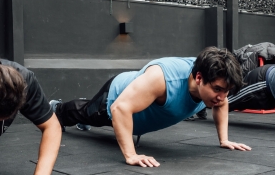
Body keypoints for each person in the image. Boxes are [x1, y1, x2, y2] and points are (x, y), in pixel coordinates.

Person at [51, 47, 251, 168]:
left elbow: (222, 103)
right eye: (218, 90)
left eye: (227, 91)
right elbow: (120, 109)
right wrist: (131, 155)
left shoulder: (213, 82)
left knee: (94, 114)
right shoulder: (164, 79)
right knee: (86, 113)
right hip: (115, 98)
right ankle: (57, 109)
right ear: (199, 78)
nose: (222, 97)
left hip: (135, 105)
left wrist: (223, 139)